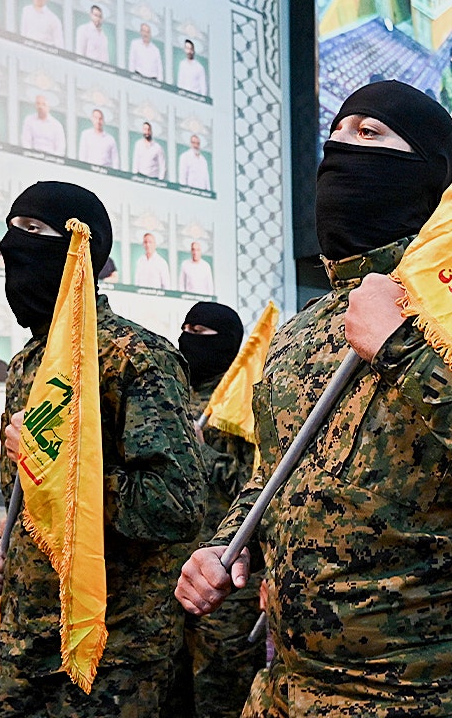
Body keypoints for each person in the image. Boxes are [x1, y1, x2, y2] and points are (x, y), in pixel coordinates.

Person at [174, 79, 452, 716]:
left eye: (369, 134)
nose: (341, 151)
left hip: (427, 695)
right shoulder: (303, 332)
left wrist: (403, 348)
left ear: (427, 175)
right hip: (290, 686)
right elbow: (278, 474)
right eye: (336, 135)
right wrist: (229, 545)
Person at [0, 181, 211, 716]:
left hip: (113, 648)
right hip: (27, 639)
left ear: (80, 247)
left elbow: (176, 506)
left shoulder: (136, 356)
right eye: (11, 229)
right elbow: (33, 500)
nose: (12, 244)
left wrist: (59, 468)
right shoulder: (27, 363)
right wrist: (0, 548)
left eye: (33, 229)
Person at [163, 301, 264, 718]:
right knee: (170, 684)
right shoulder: (172, 393)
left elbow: (255, 487)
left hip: (224, 567)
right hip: (172, 566)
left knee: (221, 685)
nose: (187, 338)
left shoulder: (243, 399)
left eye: (200, 332)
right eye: (185, 329)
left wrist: (203, 454)